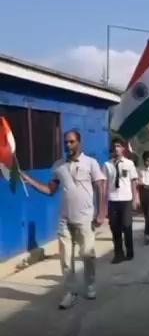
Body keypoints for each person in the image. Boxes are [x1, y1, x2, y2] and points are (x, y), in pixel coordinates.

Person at [21, 130, 106, 309]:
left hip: (85, 219)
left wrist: (101, 212)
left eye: (72, 142)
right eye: (66, 143)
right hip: (65, 220)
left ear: (79, 142)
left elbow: (99, 187)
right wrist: (31, 181)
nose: (68, 145)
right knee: (66, 259)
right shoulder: (58, 165)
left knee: (87, 255)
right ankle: (69, 292)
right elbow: (50, 189)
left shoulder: (90, 163)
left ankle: (90, 284)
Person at [103, 139, 139, 264]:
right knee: (114, 228)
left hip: (126, 199)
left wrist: (135, 198)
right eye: (114, 146)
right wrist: (104, 204)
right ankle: (118, 253)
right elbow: (105, 184)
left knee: (127, 226)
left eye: (118, 146)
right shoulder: (107, 165)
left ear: (123, 148)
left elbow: (134, 181)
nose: (116, 148)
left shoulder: (129, 164)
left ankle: (130, 251)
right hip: (113, 200)